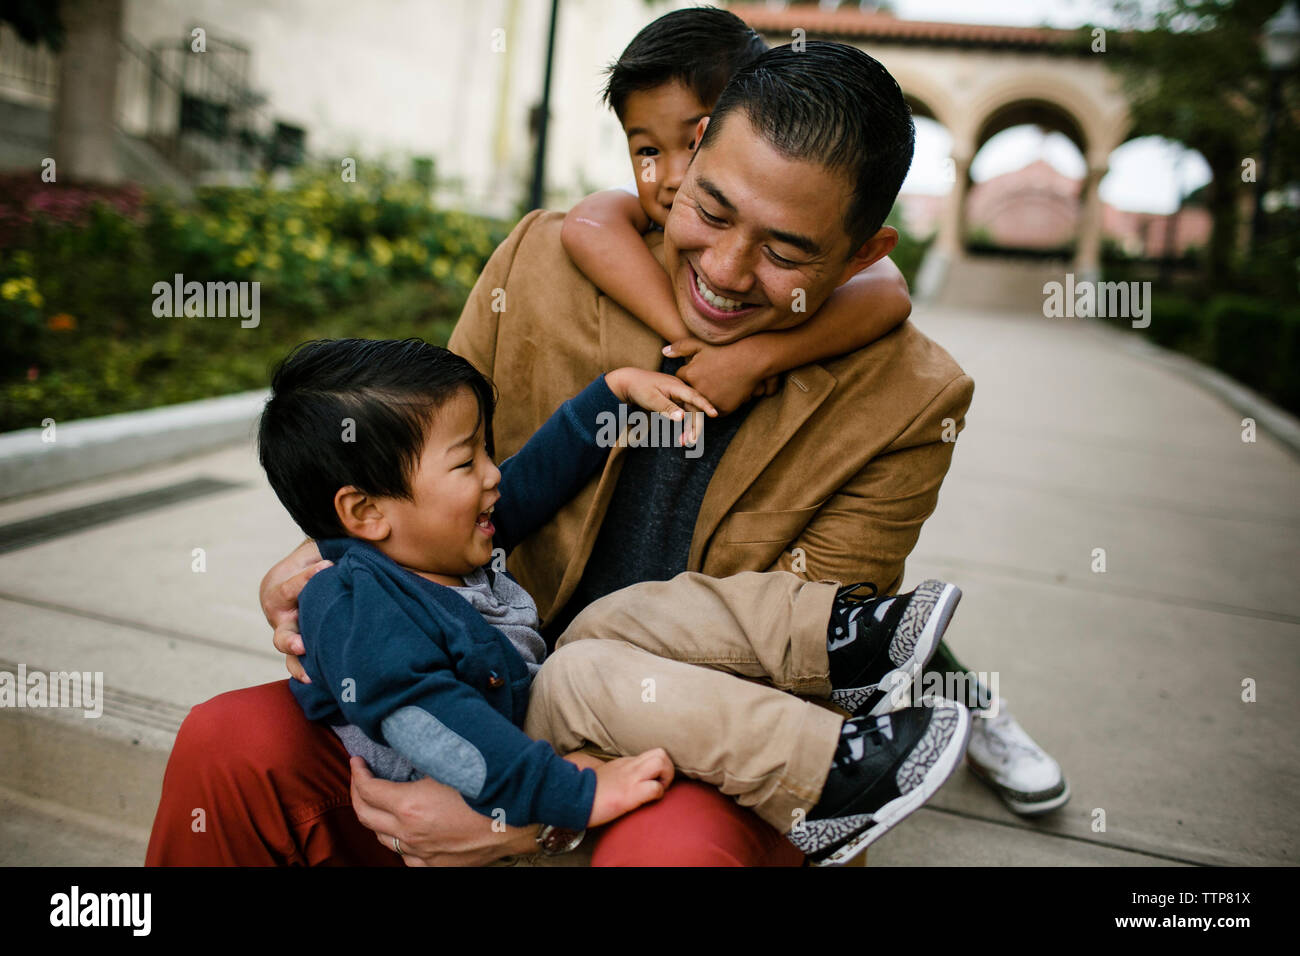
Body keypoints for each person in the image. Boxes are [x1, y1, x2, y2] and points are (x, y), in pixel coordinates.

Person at [143, 38, 1012, 868]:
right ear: (696, 150)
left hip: (684, 741)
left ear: (864, 254)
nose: (729, 268)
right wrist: (324, 559)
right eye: (710, 210)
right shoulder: (541, 263)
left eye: (785, 253)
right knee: (229, 745)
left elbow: (791, 684)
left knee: (674, 849)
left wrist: (529, 821)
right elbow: (413, 469)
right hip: (471, 693)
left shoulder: (909, 399)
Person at [563, 4, 1069, 817]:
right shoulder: (603, 231)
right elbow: (586, 228)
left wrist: (754, 352)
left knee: (889, 634)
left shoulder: (881, 340)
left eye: (688, 141)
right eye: (643, 148)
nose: (661, 175)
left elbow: (885, 295)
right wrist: (681, 329)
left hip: (746, 651)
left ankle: (972, 709)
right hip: (604, 667)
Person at [256, 337, 970, 865]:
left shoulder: (426, 541)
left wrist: (614, 396)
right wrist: (573, 797)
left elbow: (534, 478)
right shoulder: (354, 602)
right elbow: (432, 730)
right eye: (466, 461)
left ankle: (838, 644)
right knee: (580, 671)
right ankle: (826, 783)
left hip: (510, 711)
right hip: (476, 763)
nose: (493, 475)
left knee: (620, 613)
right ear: (366, 512)